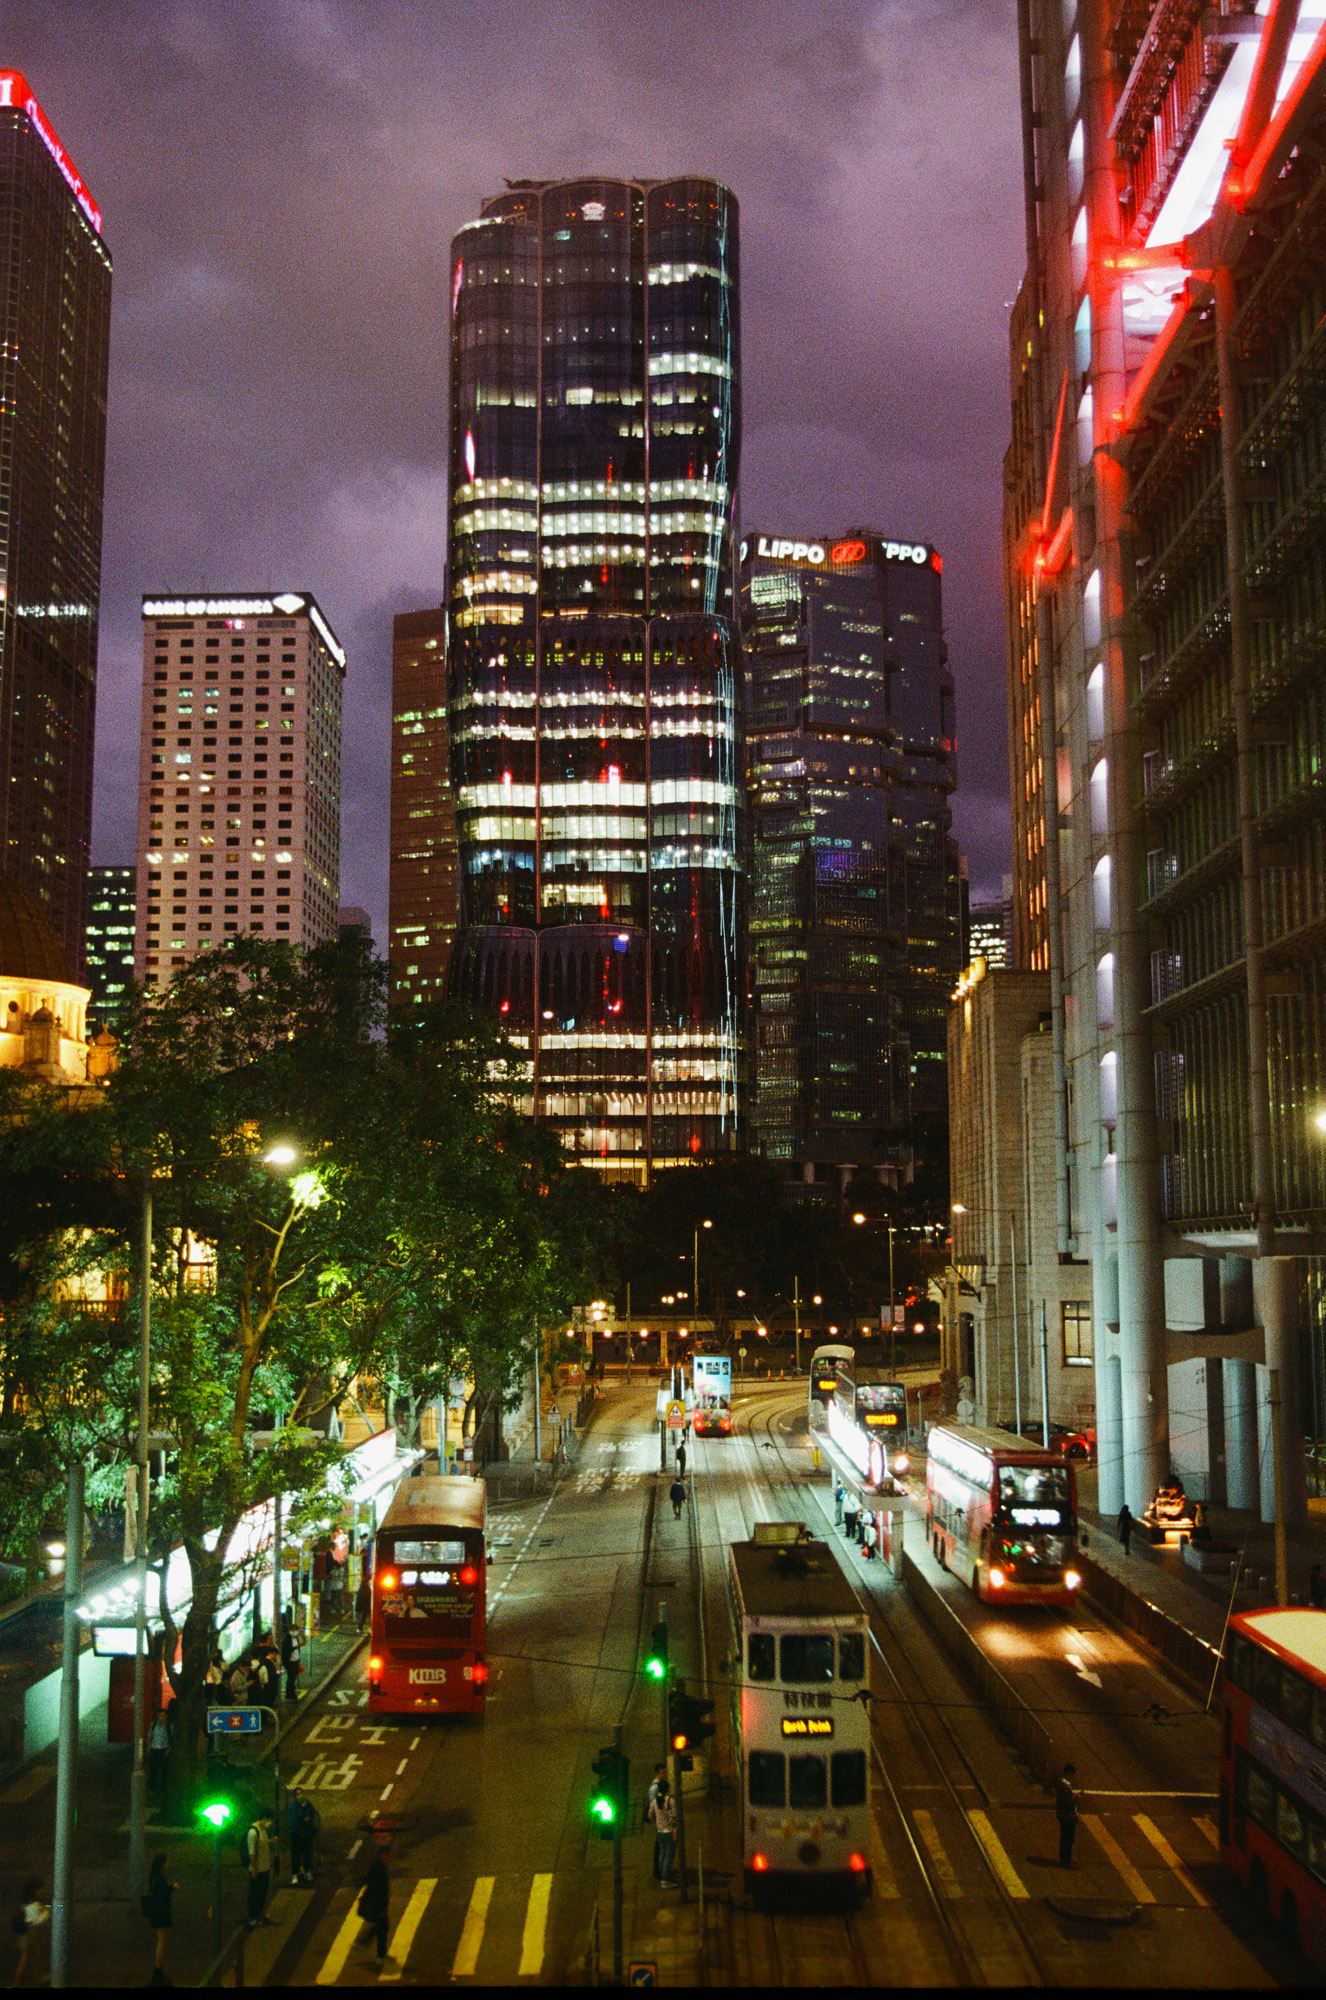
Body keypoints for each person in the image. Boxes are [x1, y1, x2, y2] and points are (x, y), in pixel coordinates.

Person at [142, 1852, 175, 1987]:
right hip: (161, 1914)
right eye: (166, 1862)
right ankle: (158, 1970)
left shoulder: (153, 1877)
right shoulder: (160, 1878)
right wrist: (171, 1888)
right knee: (162, 1941)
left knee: (161, 1940)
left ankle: (158, 1970)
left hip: (157, 1913)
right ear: (162, 1864)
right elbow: (162, 1894)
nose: (167, 1864)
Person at [357, 1843, 391, 1966]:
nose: (389, 1857)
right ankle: (380, 1956)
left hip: (379, 1904)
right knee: (382, 1928)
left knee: (382, 1927)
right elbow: (378, 1889)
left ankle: (365, 1942)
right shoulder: (379, 1869)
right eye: (386, 1854)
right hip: (378, 1905)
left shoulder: (378, 1866)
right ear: (382, 1855)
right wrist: (381, 1907)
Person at [11, 1878, 49, 1988]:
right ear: (35, 1890)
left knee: (36, 1954)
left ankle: (41, 1976)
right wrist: (46, 1911)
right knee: (25, 1958)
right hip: (26, 1935)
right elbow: (37, 1921)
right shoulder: (34, 1904)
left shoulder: (26, 1902)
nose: (42, 1891)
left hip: (26, 1934)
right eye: (40, 1889)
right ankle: (16, 1983)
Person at [245, 1813, 274, 1928]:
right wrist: (255, 1869)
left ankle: (259, 1914)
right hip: (257, 1870)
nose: (269, 1823)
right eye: (269, 1820)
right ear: (263, 1818)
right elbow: (251, 1853)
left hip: (264, 1868)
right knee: (255, 1895)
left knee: (262, 1893)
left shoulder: (262, 1830)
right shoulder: (253, 1832)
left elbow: (262, 1844)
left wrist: (271, 1841)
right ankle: (252, 1918)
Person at [649, 1779, 678, 1888]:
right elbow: (675, 1815)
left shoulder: (655, 1801)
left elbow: (650, 1815)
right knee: (669, 1855)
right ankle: (666, 1880)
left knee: (662, 1853)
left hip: (659, 1832)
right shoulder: (670, 1801)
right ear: (667, 1789)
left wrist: (656, 1824)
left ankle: (662, 1876)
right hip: (669, 1831)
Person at [288, 1786, 319, 1886]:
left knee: (307, 1854)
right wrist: (303, 1820)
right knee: (296, 1855)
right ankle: (295, 1874)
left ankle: (307, 1871)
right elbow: (294, 1820)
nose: (300, 1795)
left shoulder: (308, 1804)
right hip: (297, 1835)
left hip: (306, 1834)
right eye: (297, 1794)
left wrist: (308, 1820)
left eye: (301, 1793)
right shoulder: (293, 1807)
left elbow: (312, 1816)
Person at [1055, 1762, 1079, 1868]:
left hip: (1064, 1815)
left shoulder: (1063, 1784)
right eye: (1071, 1775)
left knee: (1066, 1838)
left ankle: (1065, 1859)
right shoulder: (1064, 1786)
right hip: (1067, 1816)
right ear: (1068, 1773)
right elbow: (1068, 1803)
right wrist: (1076, 1798)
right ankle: (1066, 1861)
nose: (1072, 1777)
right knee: (1068, 1838)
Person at [148, 1705, 171, 1795]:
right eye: (159, 1716)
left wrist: (168, 1750)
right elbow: (150, 1735)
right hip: (154, 1749)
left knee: (164, 1770)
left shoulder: (168, 1727)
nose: (160, 1718)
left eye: (162, 1716)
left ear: (166, 1716)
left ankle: (163, 1788)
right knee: (153, 1770)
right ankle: (152, 1788)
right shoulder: (154, 1725)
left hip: (164, 1750)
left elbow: (172, 1739)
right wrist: (149, 1747)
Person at [282, 1617, 303, 1701]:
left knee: (293, 1678)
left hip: (296, 1660)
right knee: (291, 1678)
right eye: (293, 1630)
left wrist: (299, 1661)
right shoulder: (287, 1638)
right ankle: (291, 1694)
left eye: (296, 1630)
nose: (295, 1632)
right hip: (290, 1662)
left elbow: (297, 1650)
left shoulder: (296, 1638)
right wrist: (294, 1648)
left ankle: (290, 1694)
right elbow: (286, 1649)